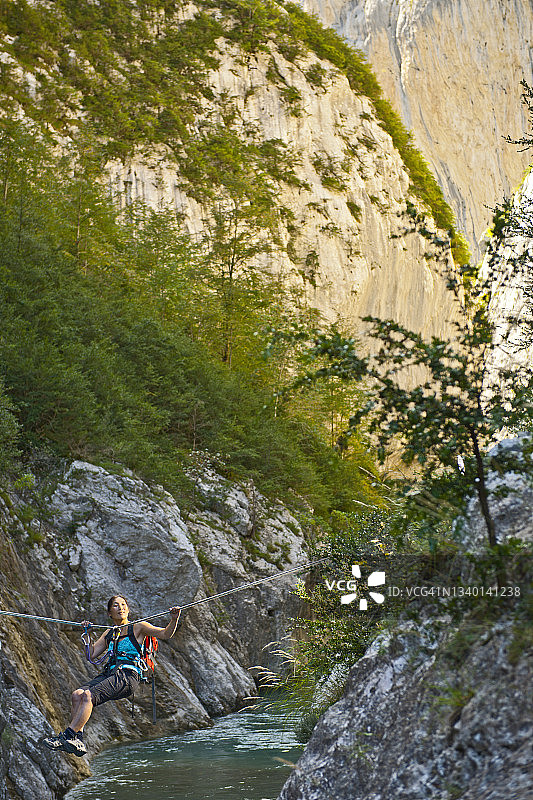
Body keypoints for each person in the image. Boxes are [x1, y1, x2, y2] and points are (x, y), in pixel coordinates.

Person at [43, 595, 181, 756]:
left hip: (128, 675)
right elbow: (91, 654)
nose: (121, 608)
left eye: (123, 604)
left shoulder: (138, 627)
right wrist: (87, 635)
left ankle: (67, 736)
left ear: (128, 609)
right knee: (77, 695)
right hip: (110, 673)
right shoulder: (110, 633)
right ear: (109, 613)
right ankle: (77, 739)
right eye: (116, 605)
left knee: (88, 696)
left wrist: (174, 619)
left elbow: (165, 634)